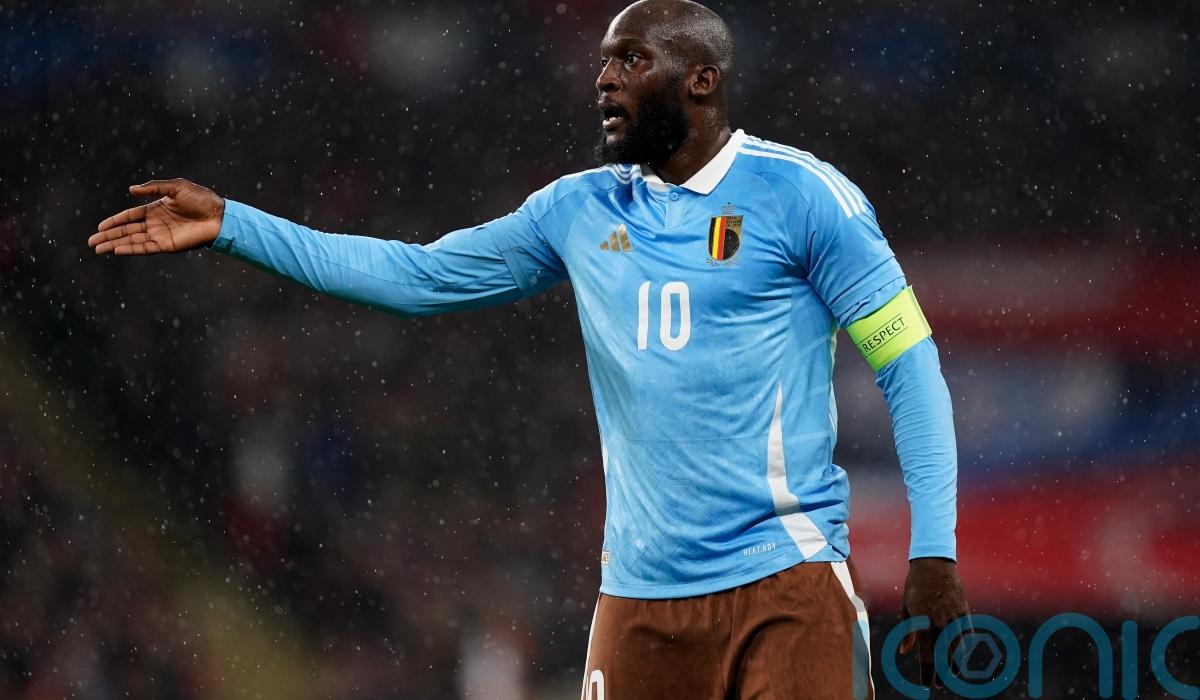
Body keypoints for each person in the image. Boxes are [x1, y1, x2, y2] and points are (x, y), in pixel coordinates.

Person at [89, 0, 969, 696]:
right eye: (603, 62)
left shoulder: (806, 197)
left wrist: (933, 554)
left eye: (632, 60)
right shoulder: (577, 210)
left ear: (701, 80)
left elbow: (909, 364)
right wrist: (234, 225)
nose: (605, 79)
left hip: (787, 583)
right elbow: (417, 276)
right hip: (639, 602)